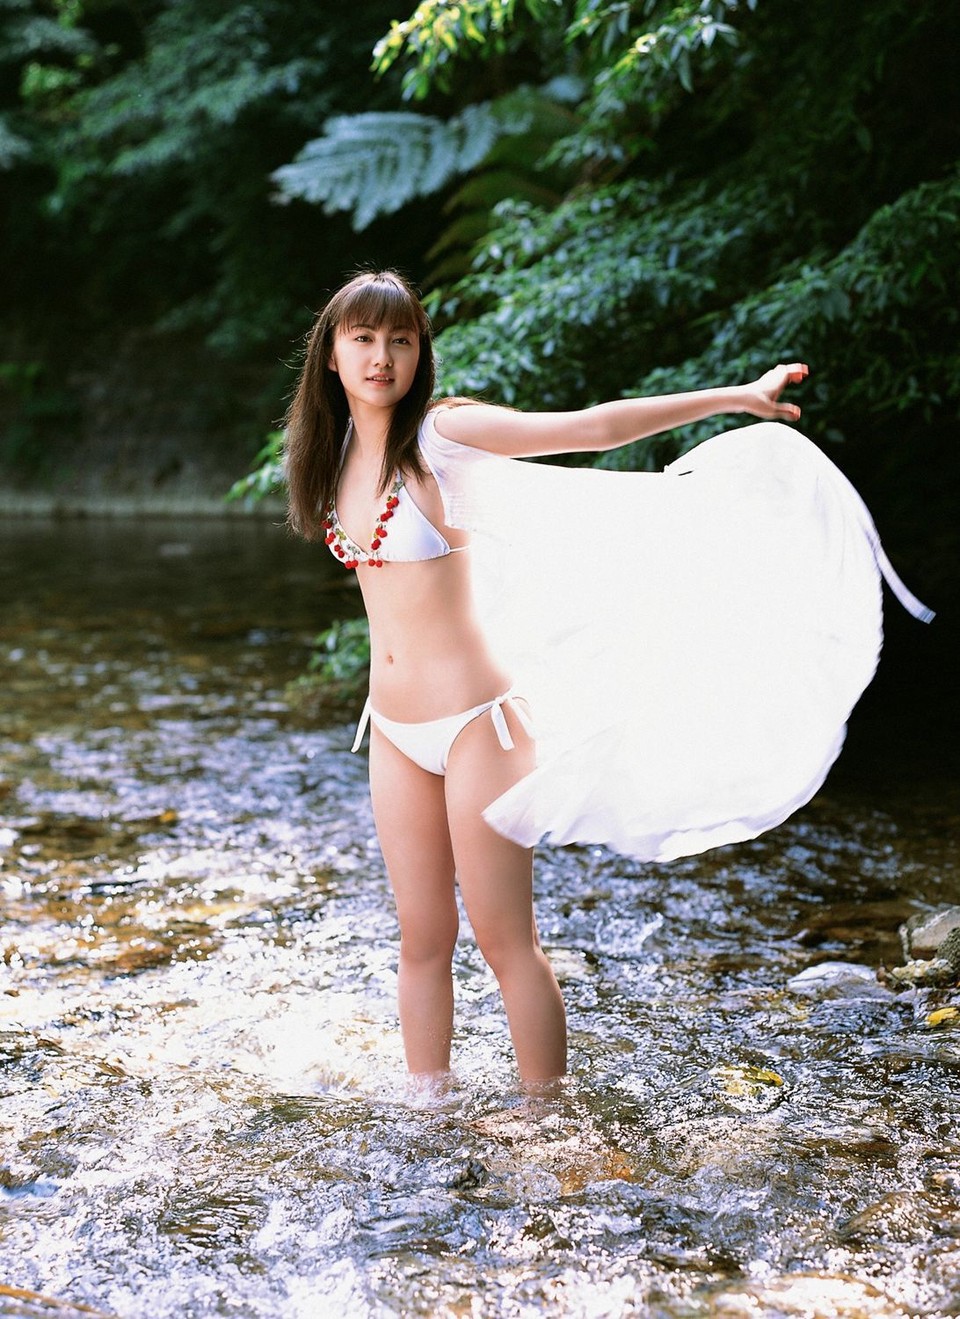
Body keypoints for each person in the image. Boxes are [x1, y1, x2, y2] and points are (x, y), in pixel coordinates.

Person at [284, 268, 932, 1090]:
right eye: (364, 339)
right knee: (421, 937)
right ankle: (427, 1107)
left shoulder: (443, 437)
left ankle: (547, 1118)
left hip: (480, 724)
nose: (382, 356)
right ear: (331, 354)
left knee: (505, 941)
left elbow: (591, 426)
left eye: (400, 339)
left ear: (420, 353)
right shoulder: (332, 453)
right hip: (394, 730)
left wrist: (737, 397)